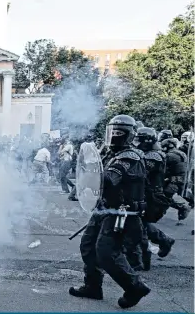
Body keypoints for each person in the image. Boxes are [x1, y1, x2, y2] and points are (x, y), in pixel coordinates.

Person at [69, 115, 150, 309]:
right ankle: (92, 286)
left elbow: (108, 179)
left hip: (122, 213)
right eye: (112, 132)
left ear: (129, 135)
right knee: (87, 245)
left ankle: (135, 287)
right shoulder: (110, 153)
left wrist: (87, 178)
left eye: (119, 133)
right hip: (105, 209)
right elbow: (94, 174)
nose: (114, 137)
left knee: (107, 252)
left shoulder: (130, 157)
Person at [126, 127, 175, 271]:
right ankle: (163, 240)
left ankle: (142, 260)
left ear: (147, 141)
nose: (136, 144)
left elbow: (139, 172)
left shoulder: (153, 156)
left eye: (139, 140)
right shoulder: (148, 153)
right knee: (140, 224)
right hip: (144, 194)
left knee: (138, 225)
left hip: (151, 197)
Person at [160, 138, 191, 221]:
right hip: (182, 178)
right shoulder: (180, 153)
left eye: (164, 147)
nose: (163, 148)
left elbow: (164, 170)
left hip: (176, 179)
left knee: (164, 196)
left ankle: (182, 208)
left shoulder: (170, 156)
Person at [70, 134, 101, 202]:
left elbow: (83, 154)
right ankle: (73, 194)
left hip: (87, 162)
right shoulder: (91, 145)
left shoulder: (83, 144)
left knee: (86, 179)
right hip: (92, 163)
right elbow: (98, 152)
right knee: (90, 179)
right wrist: (103, 145)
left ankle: (73, 194)